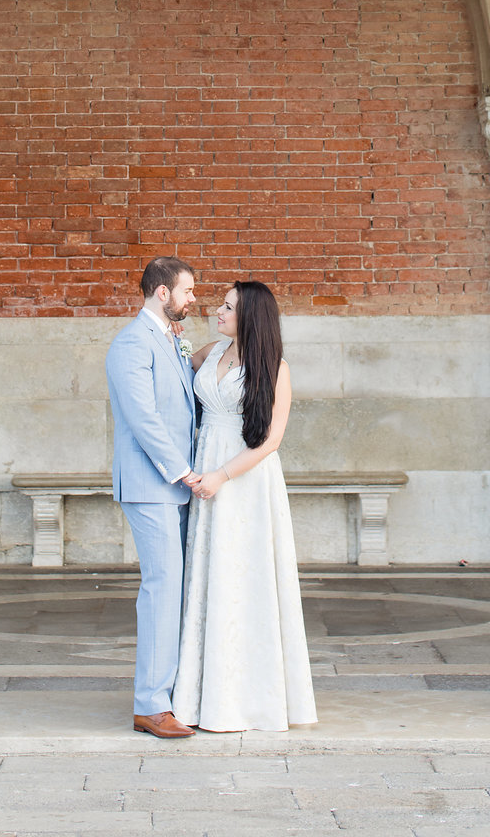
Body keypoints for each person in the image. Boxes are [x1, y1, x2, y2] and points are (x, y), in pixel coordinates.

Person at [173, 280, 317, 732]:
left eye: (228, 306)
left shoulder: (274, 368)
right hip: (205, 467)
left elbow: (272, 440)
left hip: (245, 480)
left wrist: (221, 475)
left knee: (245, 579)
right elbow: (178, 369)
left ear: (250, 315)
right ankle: (202, 696)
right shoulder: (211, 352)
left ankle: (250, 699)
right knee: (209, 577)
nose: (218, 310)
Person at [105, 256, 198, 739]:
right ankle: (150, 705)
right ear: (162, 293)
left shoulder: (171, 342)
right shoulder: (131, 344)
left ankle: (171, 694)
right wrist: (185, 471)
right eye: (187, 291)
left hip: (175, 489)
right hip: (152, 484)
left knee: (177, 589)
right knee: (161, 590)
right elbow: (144, 420)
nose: (193, 299)